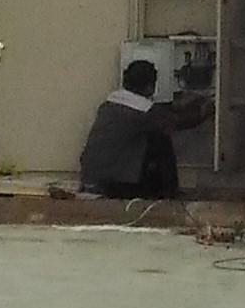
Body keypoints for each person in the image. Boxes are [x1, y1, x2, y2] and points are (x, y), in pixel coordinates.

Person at [77, 52, 181, 201]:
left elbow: (150, 111)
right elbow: (177, 123)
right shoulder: (145, 112)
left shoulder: (109, 104)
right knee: (160, 138)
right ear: (150, 87)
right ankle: (169, 194)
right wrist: (206, 111)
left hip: (91, 177)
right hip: (115, 184)